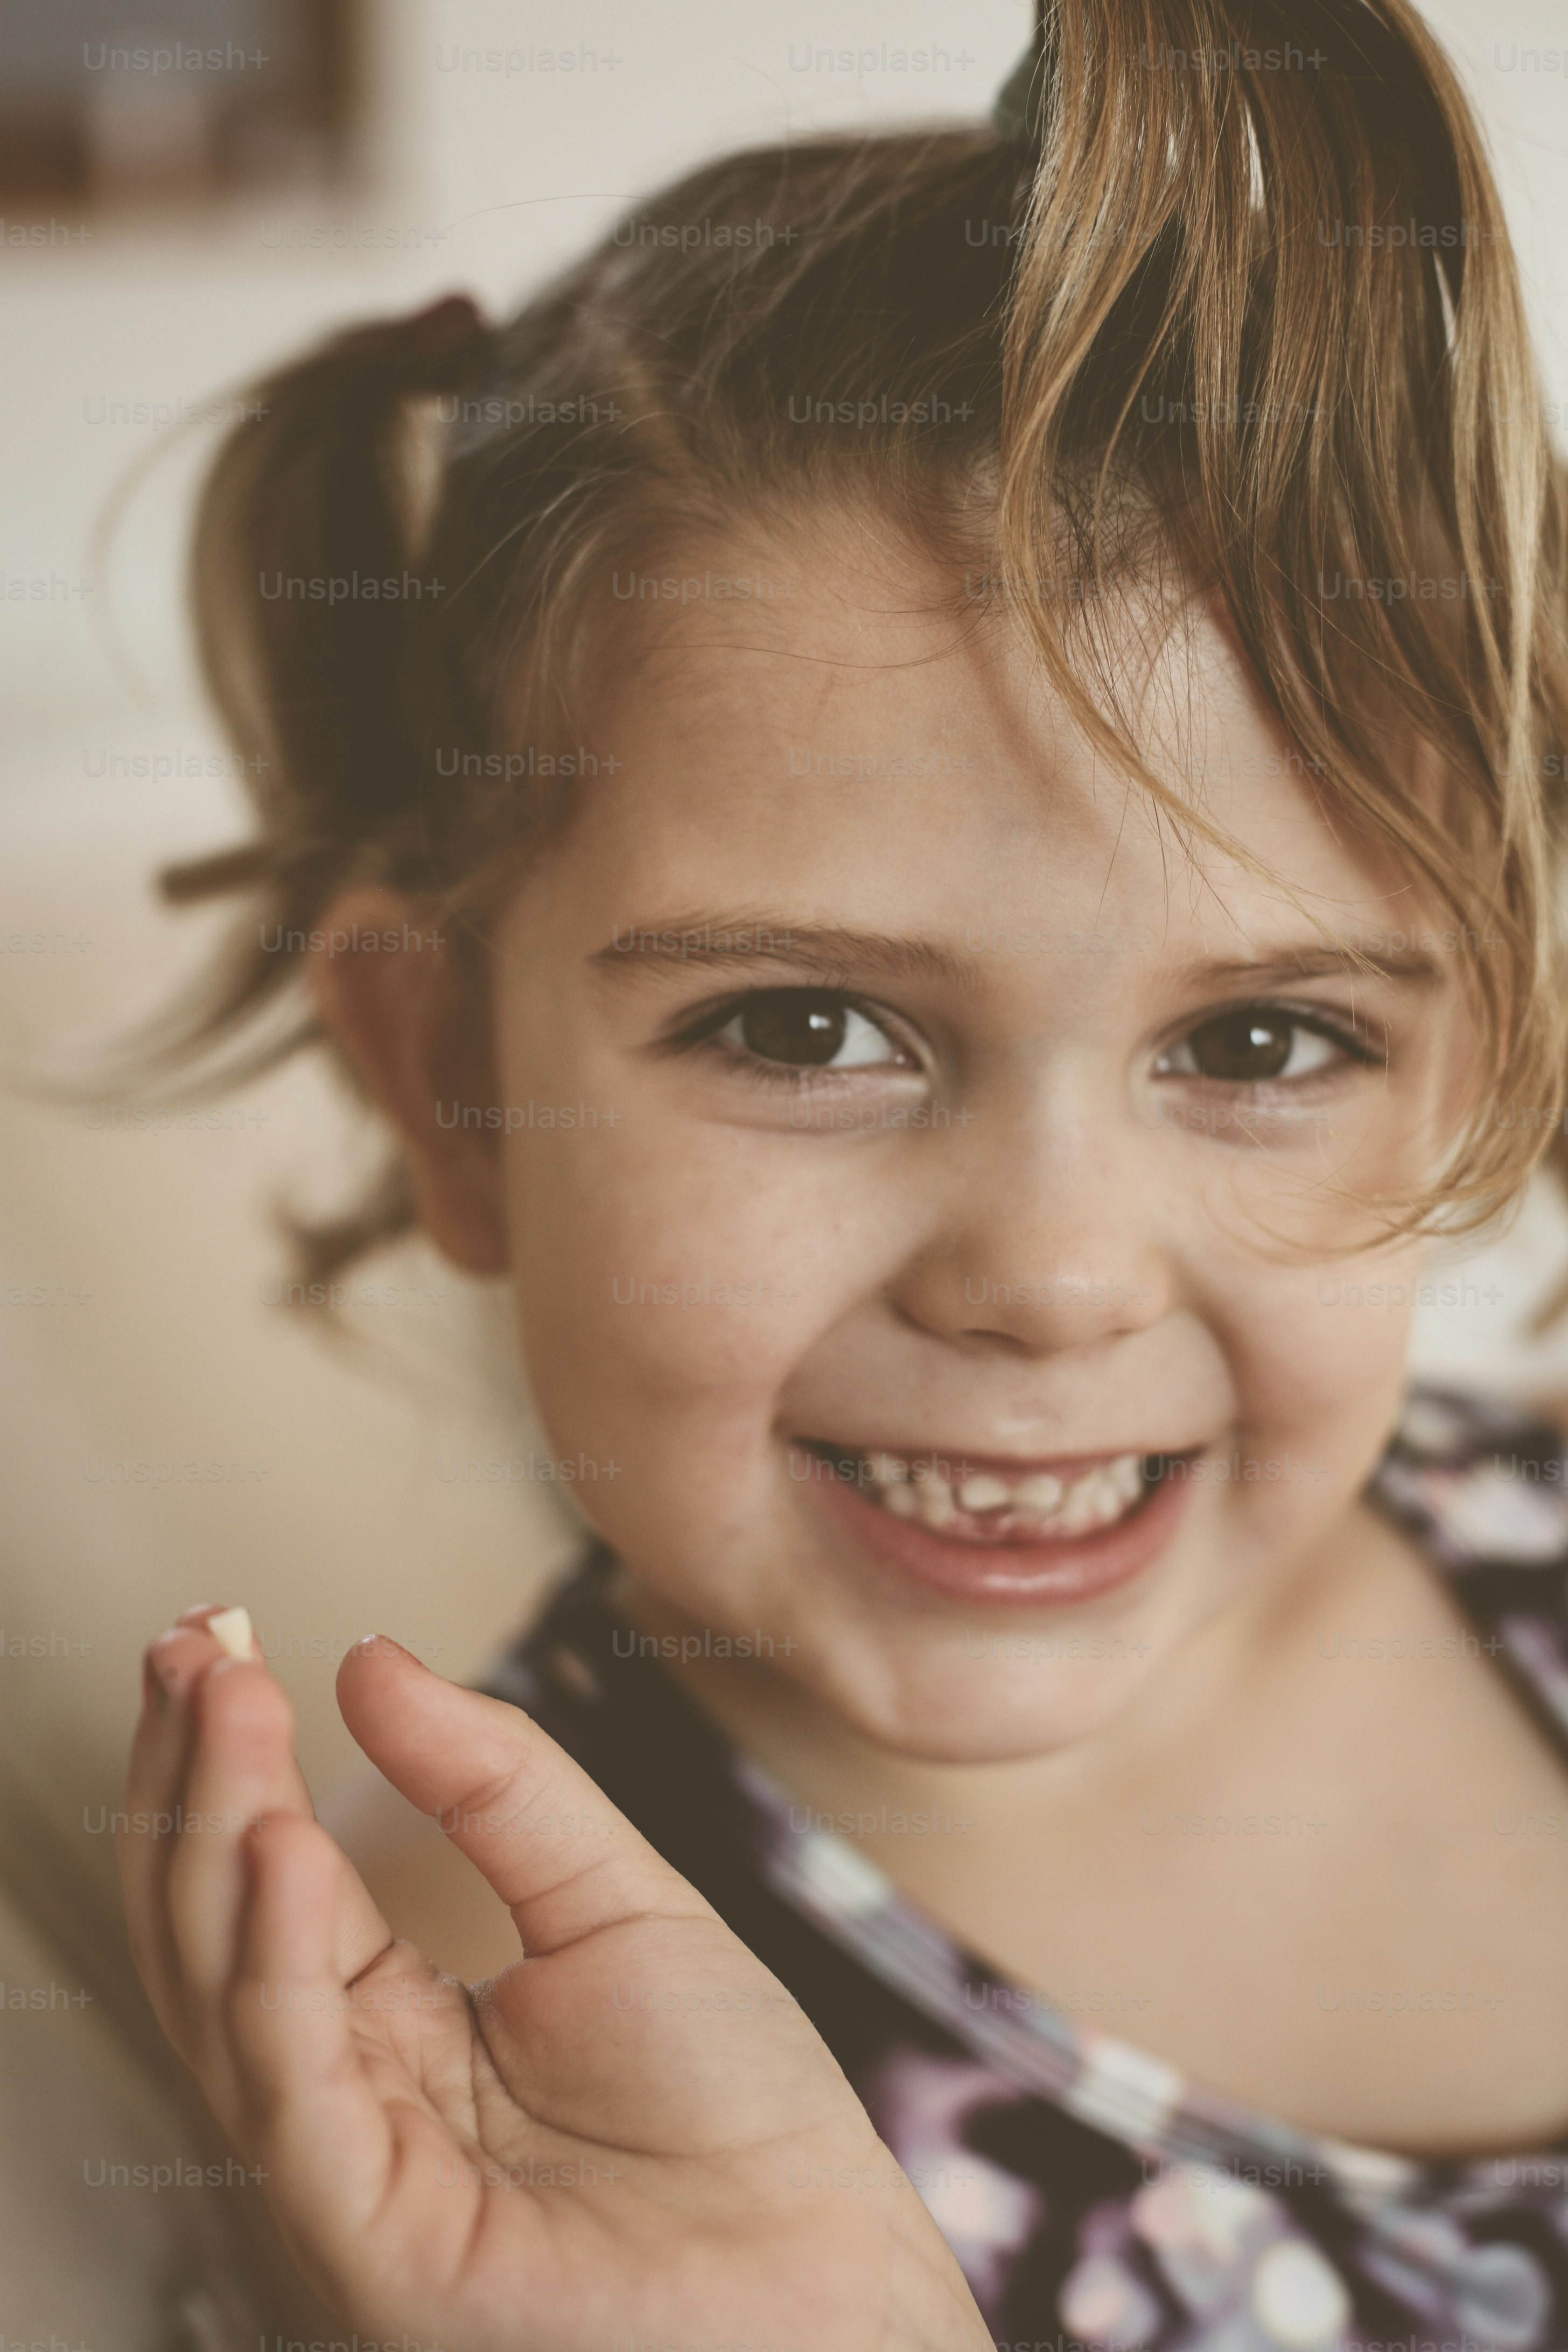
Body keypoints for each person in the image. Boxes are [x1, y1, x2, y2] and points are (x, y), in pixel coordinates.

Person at [118, 1, 1568, 2344]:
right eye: (802, 1029)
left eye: (1264, 1038)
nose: (1057, 1275)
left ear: (1459, 1066)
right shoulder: (488, 2046)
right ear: (439, 1075)